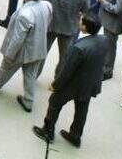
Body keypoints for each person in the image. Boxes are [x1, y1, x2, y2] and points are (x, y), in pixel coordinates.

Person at [33, 15, 109, 148]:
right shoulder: (104, 39)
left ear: (84, 27)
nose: (78, 20)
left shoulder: (79, 47)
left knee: (54, 102)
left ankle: (48, 131)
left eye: (81, 20)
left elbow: (67, 71)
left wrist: (55, 85)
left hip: (74, 84)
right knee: (82, 109)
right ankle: (75, 136)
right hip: (90, 83)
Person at [0, 0, 52, 112]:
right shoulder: (47, 5)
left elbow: (17, 38)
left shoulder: (25, 14)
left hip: (23, 51)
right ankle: (28, 101)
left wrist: (9, 54)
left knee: (6, 68)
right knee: (30, 75)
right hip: (39, 47)